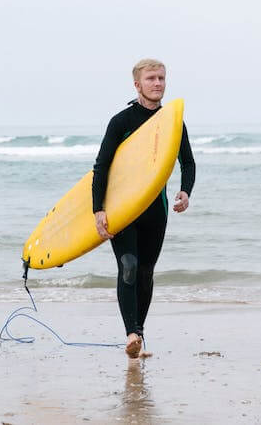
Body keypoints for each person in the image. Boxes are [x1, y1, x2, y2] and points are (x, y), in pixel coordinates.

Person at [92, 59, 196, 359]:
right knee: (128, 267)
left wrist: (185, 191)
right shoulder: (121, 122)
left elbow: (187, 162)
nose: (158, 83)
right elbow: (101, 167)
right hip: (123, 209)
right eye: (151, 78)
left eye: (162, 78)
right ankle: (131, 334)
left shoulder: (172, 122)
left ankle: (139, 335)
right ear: (137, 84)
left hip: (156, 210)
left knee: (146, 273)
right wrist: (98, 209)